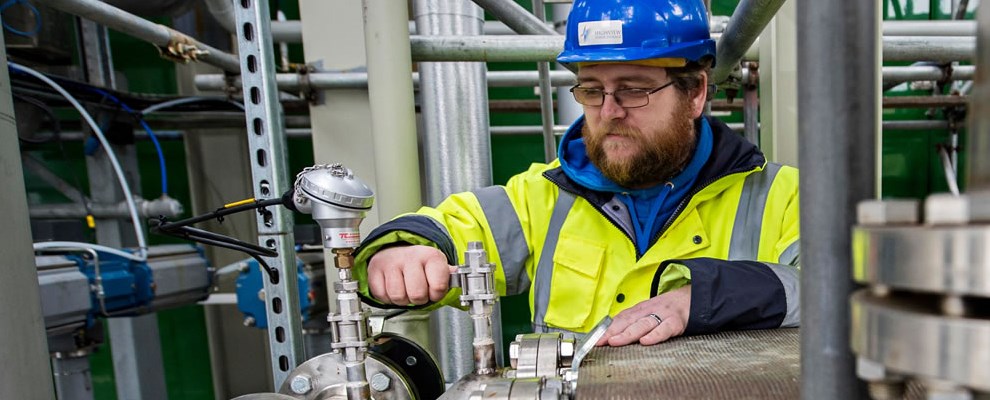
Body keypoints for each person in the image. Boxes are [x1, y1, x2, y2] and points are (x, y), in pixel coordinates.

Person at [352, 0, 799, 346]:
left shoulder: (782, 197)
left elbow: (843, 286)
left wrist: (700, 299)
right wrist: (402, 251)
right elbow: (447, 228)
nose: (609, 112)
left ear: (696, 92)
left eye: (633, 90)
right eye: (591, 90)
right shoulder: (542, 197)